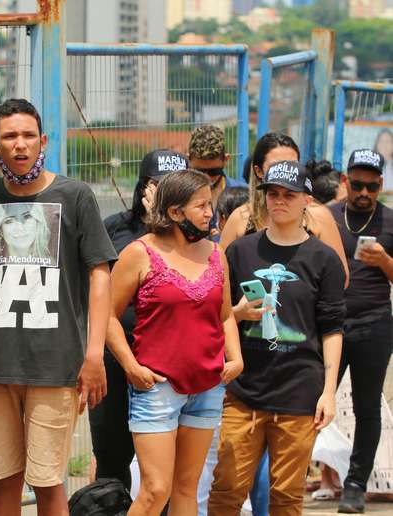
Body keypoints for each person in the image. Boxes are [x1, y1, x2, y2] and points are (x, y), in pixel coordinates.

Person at [0, 98, 116, 516]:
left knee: (48, 481)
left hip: (55, 365)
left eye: (28, 135)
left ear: (43, 140)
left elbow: (101, 274)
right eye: (10, 136)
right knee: (3, 478)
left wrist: (95, 354)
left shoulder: (75, 196)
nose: (20, 145)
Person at [209, 160, 346, 516]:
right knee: (226, 489)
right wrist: (238, 313)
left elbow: (331, 328)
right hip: (244, 392)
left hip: (299, 392)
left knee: (286, 497)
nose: (279, 200)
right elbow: (220, 316)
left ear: (307, 201)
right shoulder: (240, 251)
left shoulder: (324, 259)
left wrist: (328, 391)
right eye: (272, 193)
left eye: (289, 194)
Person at [105, 169, 243, 516]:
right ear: (175, 212)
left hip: (208, 386)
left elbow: (225, 315)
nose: (210, 213)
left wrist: (236, 358)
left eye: (209, 204)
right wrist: (130, 366)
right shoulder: (138, 253)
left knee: (187, 488)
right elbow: (105, 316)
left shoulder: (215, 254)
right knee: (155, 490)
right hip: (157, 389)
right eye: (201, 205)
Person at [90, 149, 188, 489]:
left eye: (174, 188)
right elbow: (94, 295)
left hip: (168, 364)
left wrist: (165, 225)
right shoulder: (114, 228)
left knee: (163, 471)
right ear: (143, 188)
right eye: (158, 186)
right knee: (111, 457)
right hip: (117, 358)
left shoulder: (191, 238)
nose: (165, 194)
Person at [328, 149, 393, 513]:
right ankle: (293, 475)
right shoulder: (327, 217)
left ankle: (355, 483)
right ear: (345, 182)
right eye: (357, 185)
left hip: (374, 325)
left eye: (371, 186)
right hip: (330, 326)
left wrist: (384, 261)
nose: (364, 193)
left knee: (366, 407)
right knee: (310, 404)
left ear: (381, 184)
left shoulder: (390, 221)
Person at [220, 132, 349, 284]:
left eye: (292, 165)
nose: (285, 172)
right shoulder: (241, 218)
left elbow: (340, 278)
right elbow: (221, 276)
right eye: (277, 166)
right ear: (258, 171)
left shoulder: (318, 216)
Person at [187, 125, 247, 239]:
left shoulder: (244, 195)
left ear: (226, 160)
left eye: (213, 171)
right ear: (188, 160)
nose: (206, 178)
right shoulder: (181, 197)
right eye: (199, 171)